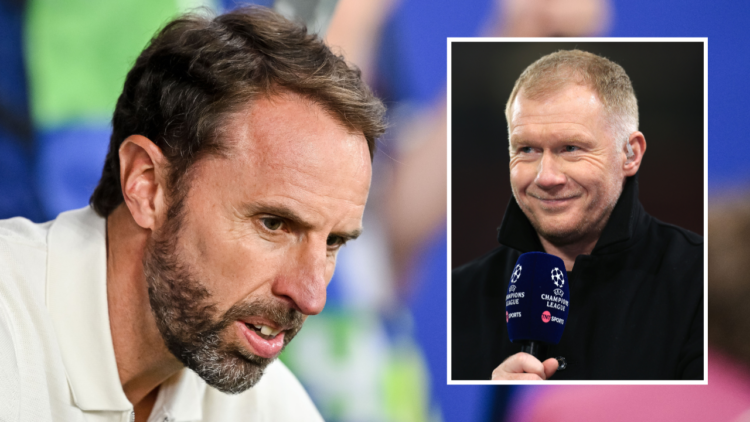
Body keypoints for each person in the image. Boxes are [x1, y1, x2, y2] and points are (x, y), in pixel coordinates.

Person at [0, 6, 385, 422]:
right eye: (273, 224)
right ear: (146, 186)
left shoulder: (267, 406)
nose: (311, 297)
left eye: (332, 243)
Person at [451, 49, 703, 381]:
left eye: (570, 148)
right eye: (526, 149)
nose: (546, 176)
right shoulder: (459, 297)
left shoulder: (703, 284)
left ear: (631, 154)